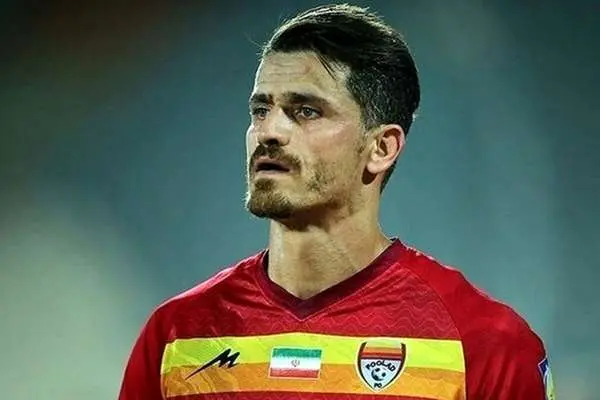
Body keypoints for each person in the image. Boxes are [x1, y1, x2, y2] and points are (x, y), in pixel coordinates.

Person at [118, 4, 555, 400]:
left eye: (306, 111)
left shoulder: (484, 344)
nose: (269, 132)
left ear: (381, 148)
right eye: (261, 110)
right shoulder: (176, 338)